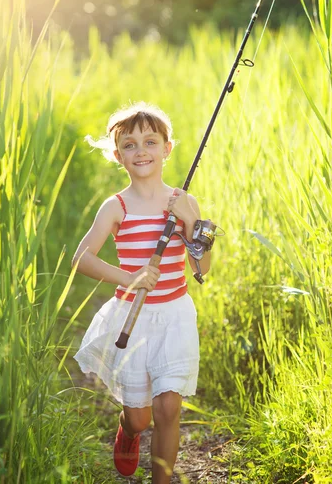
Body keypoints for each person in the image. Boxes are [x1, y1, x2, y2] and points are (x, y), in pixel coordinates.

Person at [73, 102, 211, 484]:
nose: (141, 151)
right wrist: (128, 277)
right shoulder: (115, 207)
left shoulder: (183, 202)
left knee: (168, 408)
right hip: (134, 317)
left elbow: (203, 266)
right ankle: (129, 431)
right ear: (118, 155)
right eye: (130, 145)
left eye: (150, 142)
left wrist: (192, 220)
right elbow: (81, 258)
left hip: (175, 316)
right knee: (141, 415)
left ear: (167, 148)